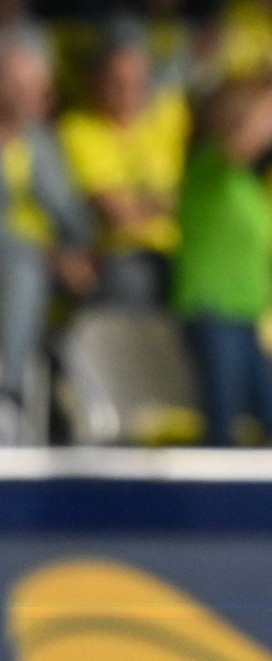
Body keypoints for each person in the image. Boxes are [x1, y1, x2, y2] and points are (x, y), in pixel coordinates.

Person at [174, 82, 272, 447]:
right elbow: (240, 142)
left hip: (252, 318)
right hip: (215, 312)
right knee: (223, 424)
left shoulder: (249, 184)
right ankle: (209, 506)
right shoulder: (206, 169)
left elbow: (269, 244)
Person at [0, 43, 94, 441]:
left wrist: (82, 253)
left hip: (49, 266)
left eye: (38, 85)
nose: (36, 94)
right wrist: (46, 253)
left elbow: (75, 216)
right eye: (22, 84)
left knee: (126, 279)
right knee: (25, 270)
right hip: (20, 258)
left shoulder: (43, 143)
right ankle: (10, 395)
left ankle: (70, 416)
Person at [57, 42, 191, 304]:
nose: (128, 91)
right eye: (116, 82)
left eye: (137, 82)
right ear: (95, 82)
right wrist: (176, 201)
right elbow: (120, 214)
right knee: (131, 280)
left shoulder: (170, 114)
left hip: (184, 247)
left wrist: (151, 202)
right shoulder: (78, 129)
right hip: (124, 252)